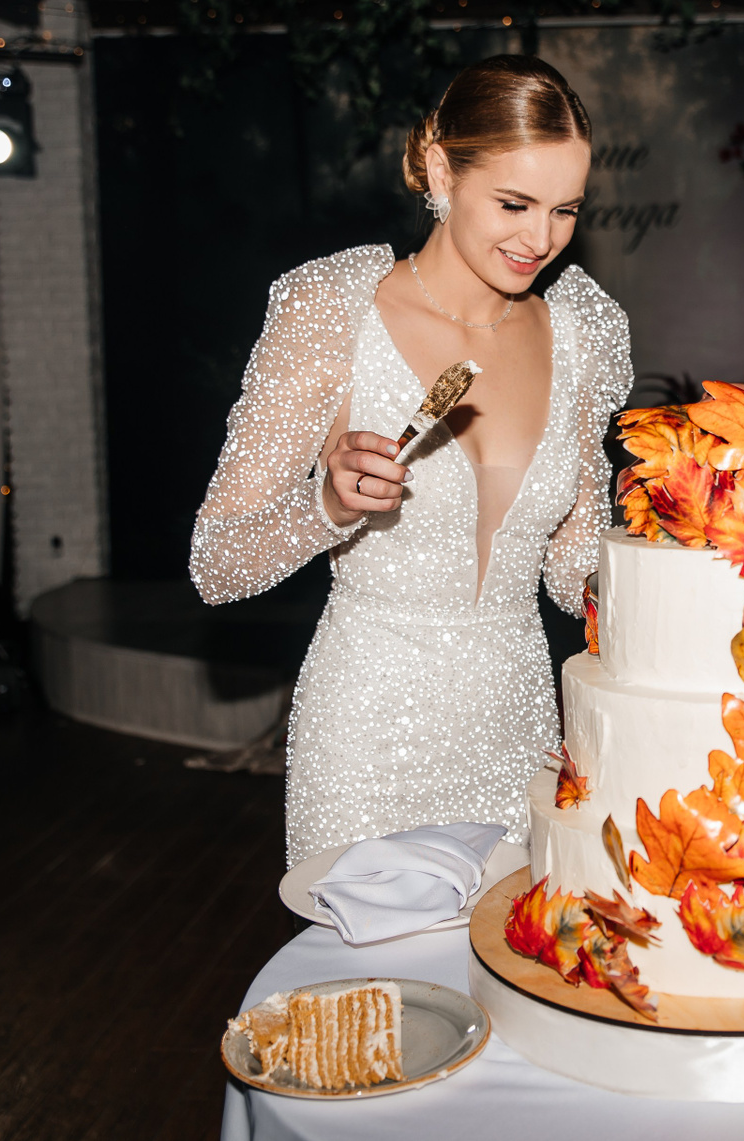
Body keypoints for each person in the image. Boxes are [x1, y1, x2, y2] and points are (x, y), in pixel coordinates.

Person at [191, 54, 632, 865]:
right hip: (370, 741)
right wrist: (325, 506)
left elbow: (572, 575)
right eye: (514, 203)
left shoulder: (577, 335)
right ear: (439, 170)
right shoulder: (335, 311)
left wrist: (675, 553)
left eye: (565, 210)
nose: (541, 238)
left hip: (518, 733)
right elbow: (216, 564)